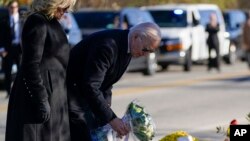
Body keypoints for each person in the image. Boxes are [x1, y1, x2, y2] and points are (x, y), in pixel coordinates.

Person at [67, 22, 161, 141]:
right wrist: (111, 119)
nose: (145, 55)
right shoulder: (108, 46)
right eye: (145, 49)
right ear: (136, 37)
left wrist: (106, 117)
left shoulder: (128, 47)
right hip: (74, 99)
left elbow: (107, 82)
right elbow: (91, 85)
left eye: (150, 52)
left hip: (88, 101)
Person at [5, 0, 76, 141]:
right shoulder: (37, 21)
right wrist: (41, 100)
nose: (67, 11)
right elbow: (30, 65)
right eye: (65, 6)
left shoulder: (54, 23)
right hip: (37, 102)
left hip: (55, 98)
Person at [0, 1, 23, 97]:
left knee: (21, 70)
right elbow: (1, 36)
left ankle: (21, 91)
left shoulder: (22, 19)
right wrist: (1, 49)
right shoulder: (4, 20)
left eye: (15, 7)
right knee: (7, 70)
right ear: (9, 8)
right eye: (11, 7)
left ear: (17, 8)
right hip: (8, 48)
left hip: (20, 48)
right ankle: (9, 92)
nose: (13, 9)